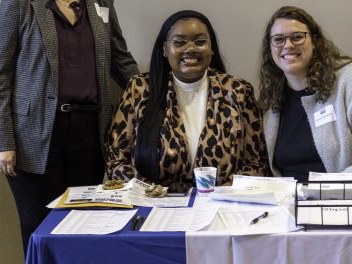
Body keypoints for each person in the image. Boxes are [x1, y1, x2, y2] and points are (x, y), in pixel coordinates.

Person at [0, 0, 138, 253]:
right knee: (40, 228)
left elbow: (120, 58)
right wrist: (2, 141)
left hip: (91, 131)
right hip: (36, 136)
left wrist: (153, 93)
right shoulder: (19, 1)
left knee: (86, 222)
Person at [106, 10, 270, 192]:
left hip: (222, 208)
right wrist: (150, 194)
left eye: (200, 42)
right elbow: (116, 160)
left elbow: (257, 163)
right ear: (165, 49)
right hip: (154, 208)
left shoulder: (238, 91)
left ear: (211, 48)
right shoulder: (139, 89)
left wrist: (220, 196)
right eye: (179, 42)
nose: (191, 48)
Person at [258, 6, 352, 183]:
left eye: (297, 37)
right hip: (291, 203)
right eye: (278, 39)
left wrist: (319, 190)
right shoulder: (272, 100)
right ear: (270, 48)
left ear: (315, 41)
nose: (288, 45)